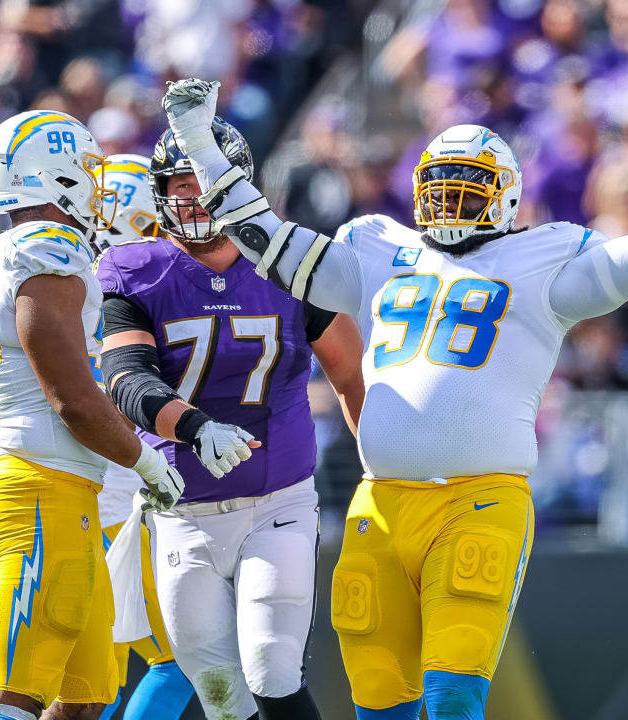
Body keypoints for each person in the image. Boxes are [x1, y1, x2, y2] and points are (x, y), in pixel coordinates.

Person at [160, 77, 628, 719]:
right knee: (378, 702)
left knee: (453, 699)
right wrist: (199, 141)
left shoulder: (542, 260)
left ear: (505, 197)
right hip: (384, 500)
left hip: (479, 500)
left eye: (468, 189)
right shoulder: (376, 246)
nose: (451, 202)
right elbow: (268, 243)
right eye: (441, 187)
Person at [95, 118, 365, 720]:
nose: (189, 197)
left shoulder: (288, 262)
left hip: (279, 501)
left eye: (202, 182)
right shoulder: (135, 271)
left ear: (237, 183)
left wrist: (379, 466)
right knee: (220, 696)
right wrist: (196, 427)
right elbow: (125, 378)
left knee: (271, 668)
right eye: (177, 184)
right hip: (182, 513)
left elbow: (351, 375)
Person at [0, 110, 185, 720]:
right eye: (84, 167)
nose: (92, 181)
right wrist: (147, 463)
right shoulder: (49, 251)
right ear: (56, 174)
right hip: (44, 490)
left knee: (86, 697)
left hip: (43, 490)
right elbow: (73, 400)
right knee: (13, 698)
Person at [91, 152, 196, 720]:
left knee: (91, 667)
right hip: (121, 499)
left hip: (68, 496)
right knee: (174, 660)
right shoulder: (138, 287)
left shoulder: (57, 283)